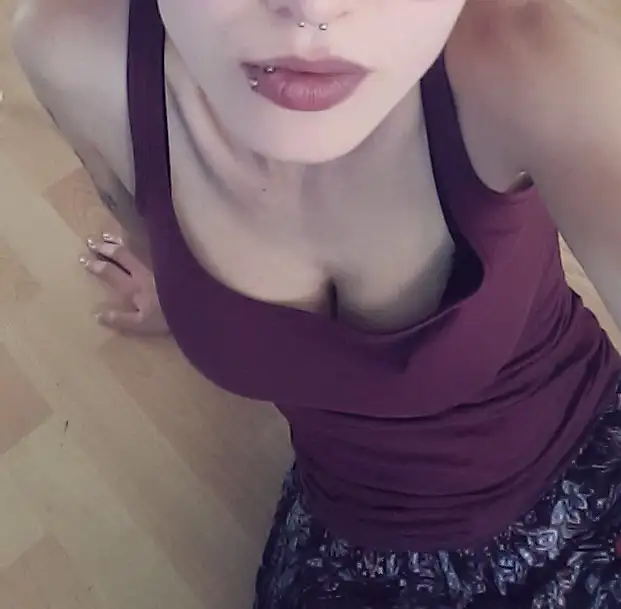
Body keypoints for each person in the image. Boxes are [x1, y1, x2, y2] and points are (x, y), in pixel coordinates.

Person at [10, 0, 621, 606]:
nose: (315, 10)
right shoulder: (75, 53)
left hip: (585, 471)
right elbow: (144, 220)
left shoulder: (539, 57)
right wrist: (179, 287)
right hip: (350, 533)